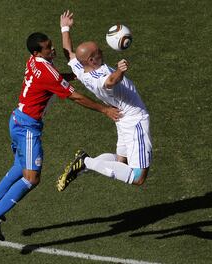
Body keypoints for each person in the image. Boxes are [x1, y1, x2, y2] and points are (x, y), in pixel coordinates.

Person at [0, 32, 121, 241]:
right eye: (47, 47)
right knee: (31, 178)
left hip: (18, 119)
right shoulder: (46, 70)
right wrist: (104, 110)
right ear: (38, 52)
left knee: (21, 164)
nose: (52, 49)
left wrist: (73, 75)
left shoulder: (35, 61)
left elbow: (54, 79)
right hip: (27, 127)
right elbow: (74, 96)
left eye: (51, 45)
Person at [56, 10, 152, 191]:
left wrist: (65, 28)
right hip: (134, 120)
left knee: (120, 161)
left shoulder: (80, 68)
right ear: (92, 60)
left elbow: (69, 53)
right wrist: (120, 71)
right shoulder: (102, 76)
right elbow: (110, 82)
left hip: (121, 117)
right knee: (138, 177)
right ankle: (86, 162)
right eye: (98, 51)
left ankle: (84, 163)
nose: (102, 51)